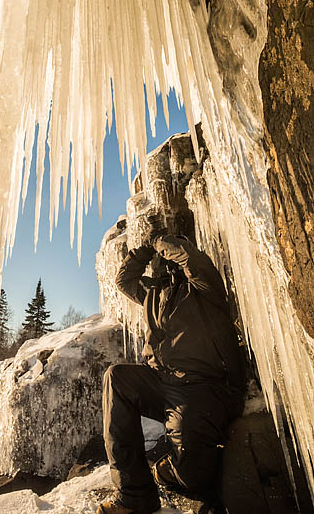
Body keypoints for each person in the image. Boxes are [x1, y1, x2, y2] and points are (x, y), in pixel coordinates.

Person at [97, 216, 246, 514]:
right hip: (164, 382)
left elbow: (191, 258)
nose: (162, 267)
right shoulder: (153, 295)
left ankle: (183, 475)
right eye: (159, 265)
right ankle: (134, 495)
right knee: (117, 378)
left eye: (166, 261)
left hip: (204, 385)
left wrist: (159, 240)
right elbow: (123, 281)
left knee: (191, 475)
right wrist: (141, 250)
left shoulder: (203, 287)